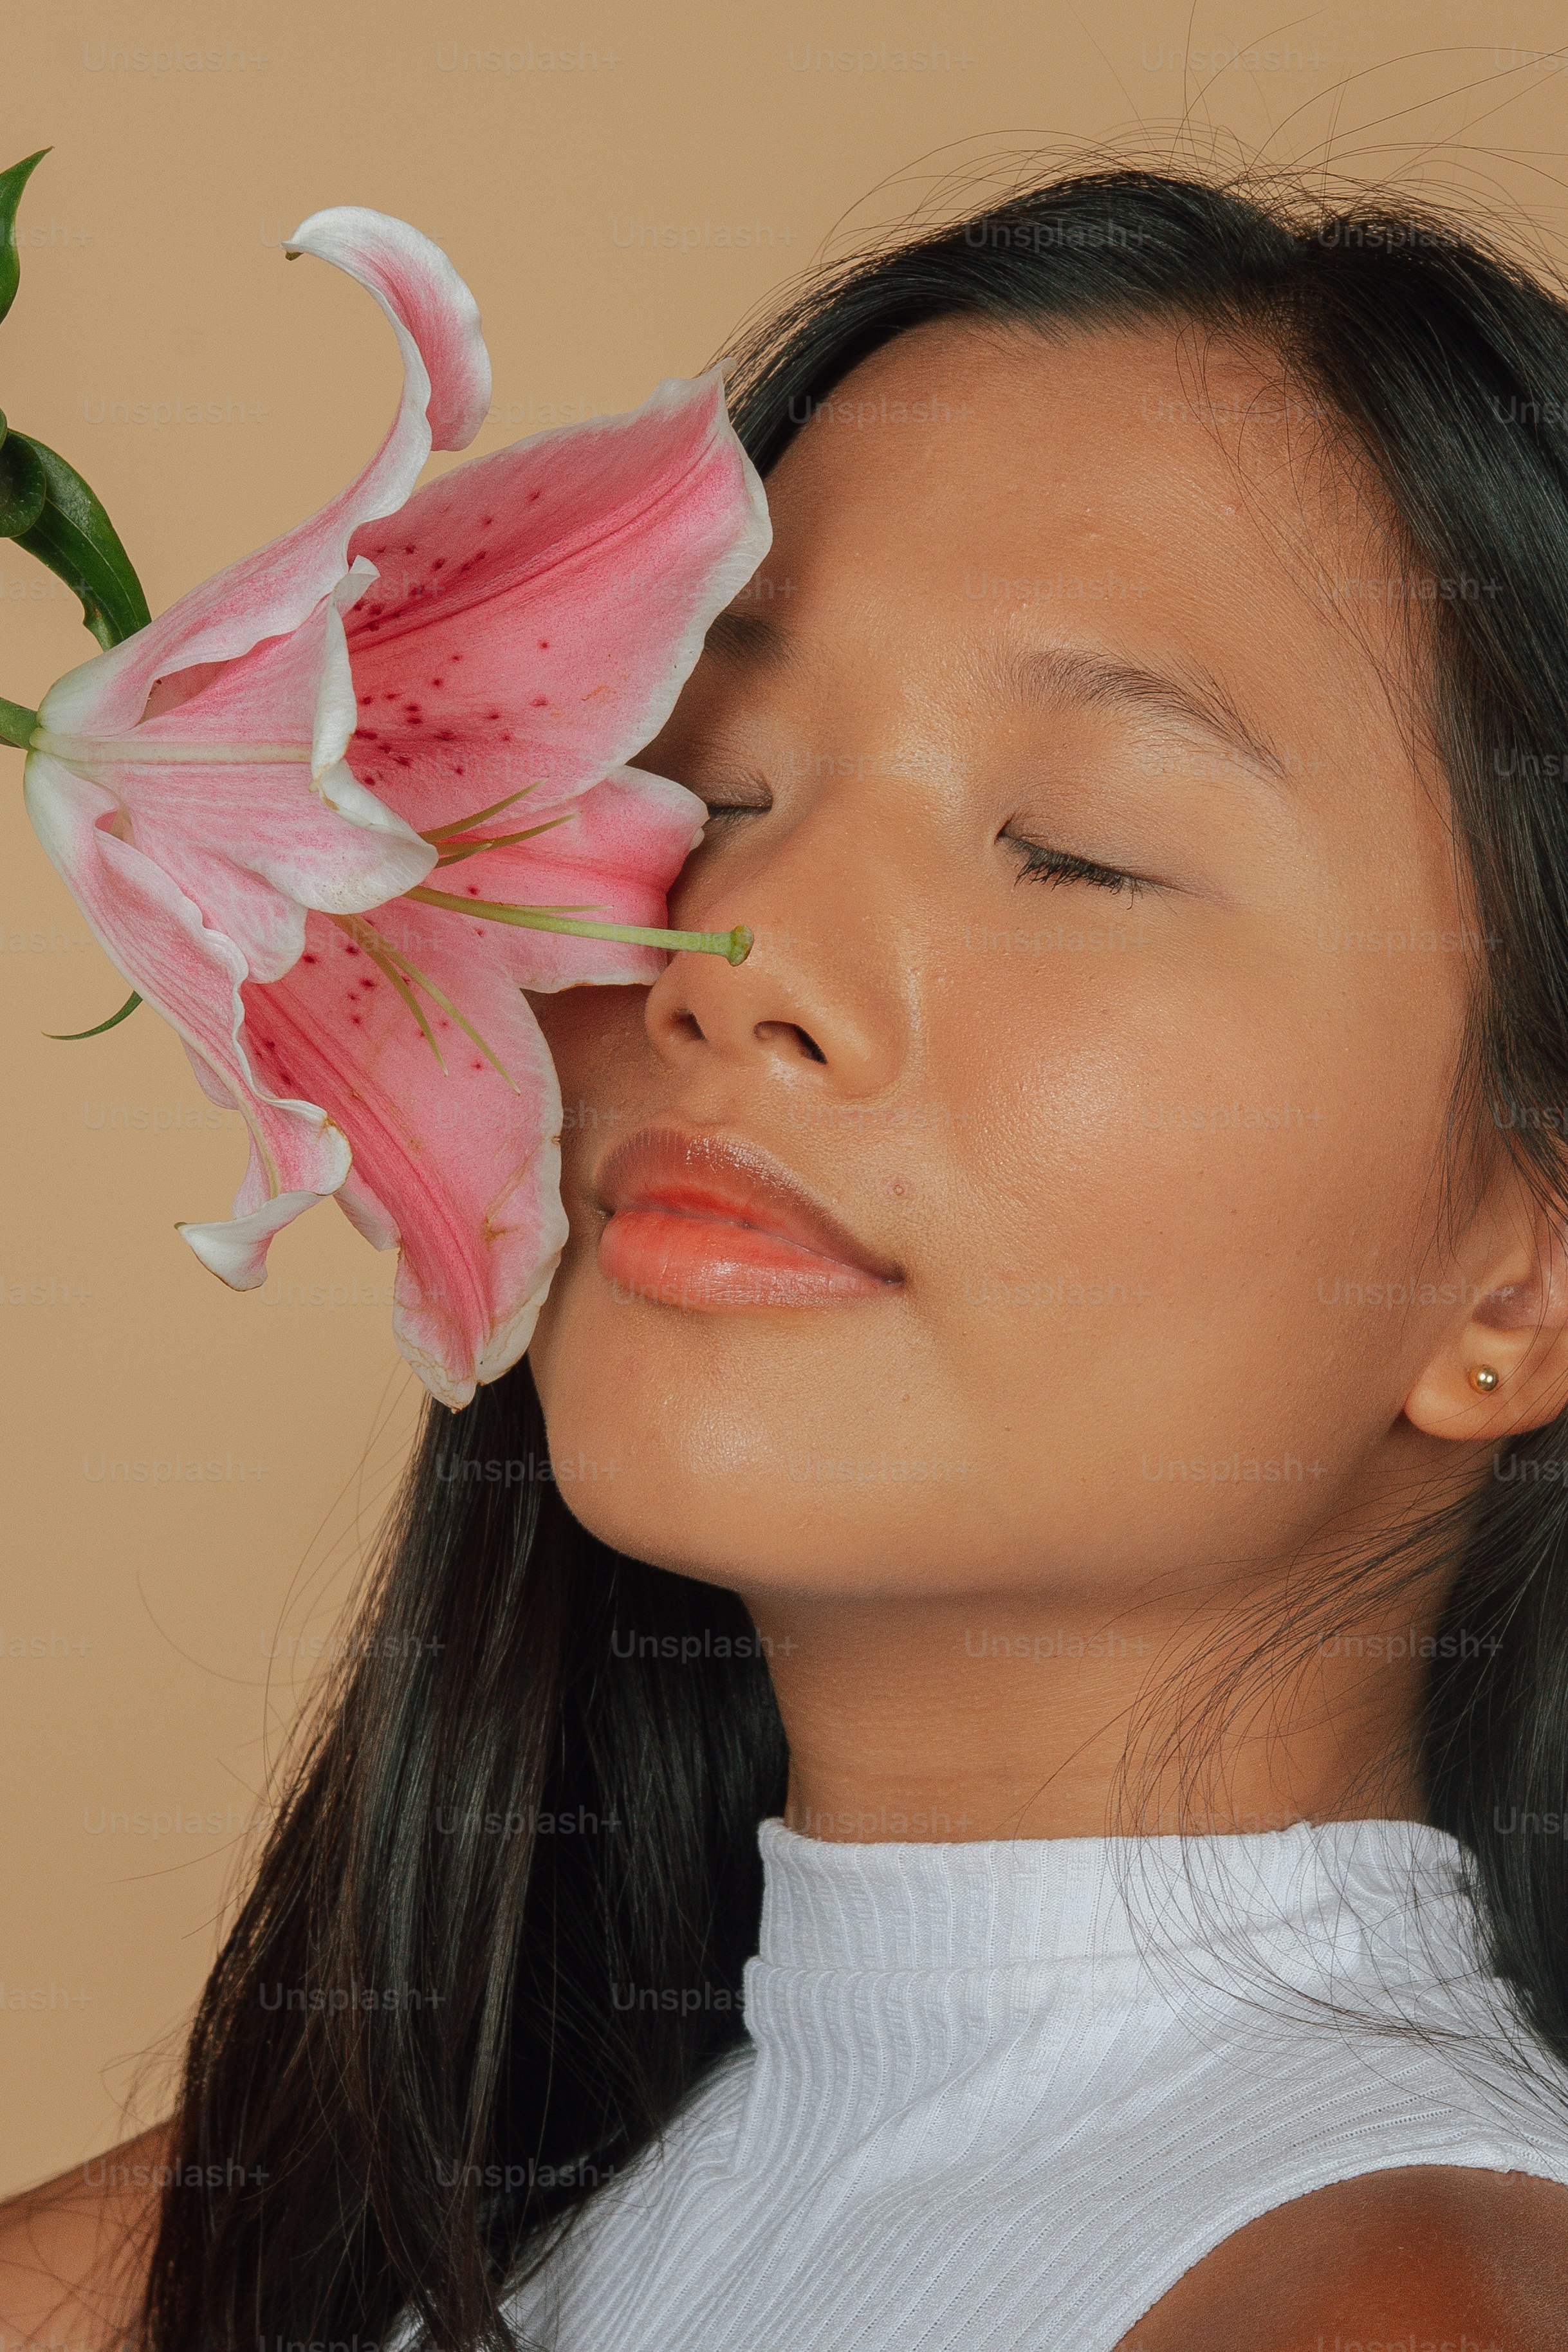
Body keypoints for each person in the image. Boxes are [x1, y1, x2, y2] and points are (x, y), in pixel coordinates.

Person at [7, 159, 1568, 2351]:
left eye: (1074, 850)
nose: (736, 961)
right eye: (708, 783)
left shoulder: (1389, 2300)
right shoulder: (392, 2200)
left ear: (1523, 1276)